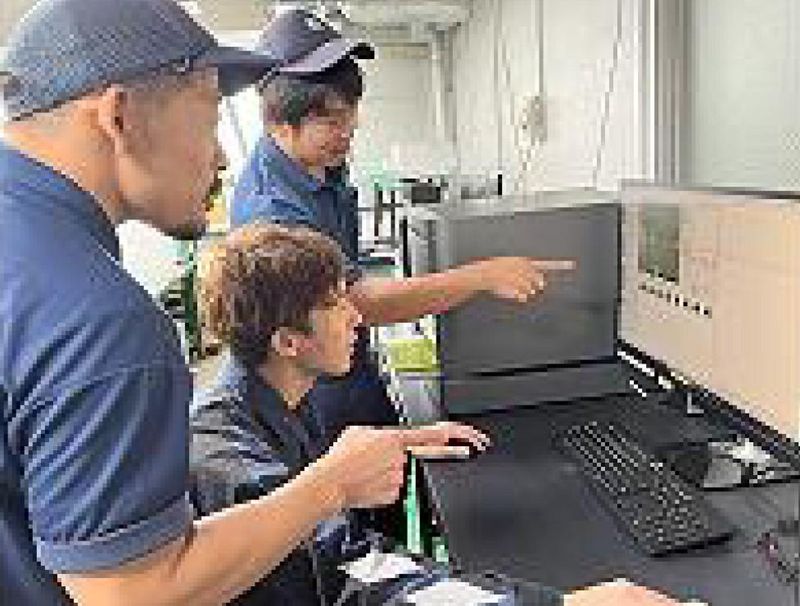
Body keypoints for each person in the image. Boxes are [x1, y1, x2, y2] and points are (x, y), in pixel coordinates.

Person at [0, 1, 495, 604]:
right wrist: (330, 486)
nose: (221, 157)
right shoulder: (98, 319)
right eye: (210, 115)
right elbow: (137, 593)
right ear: (118, 115)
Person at [190, 223, 680, 606]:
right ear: (287, 342)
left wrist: (395, 443)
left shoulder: (270, 398)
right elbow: (356, 572)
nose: (356, 316)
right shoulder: (228, 459)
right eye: (335, 305)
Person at [232, 8, 575, 443]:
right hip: (312, 394)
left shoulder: (321, 165)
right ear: (278, 122)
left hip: (347, 366)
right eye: (332, 120)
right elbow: (359, 302)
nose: (349, 129)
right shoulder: (274, 211)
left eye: (351, 113)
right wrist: (482, 276)